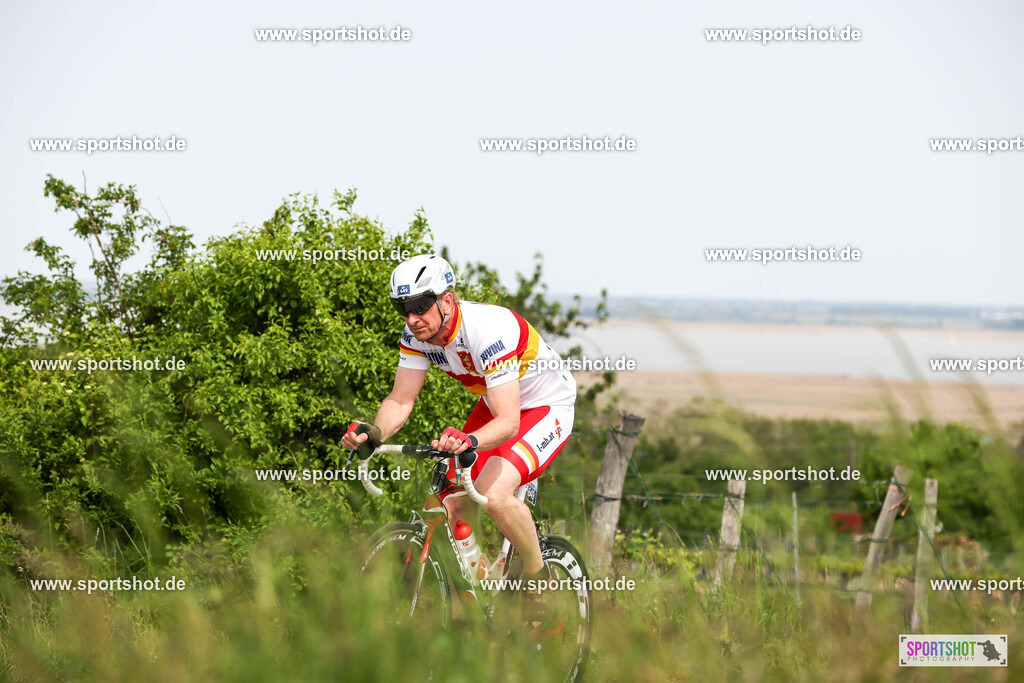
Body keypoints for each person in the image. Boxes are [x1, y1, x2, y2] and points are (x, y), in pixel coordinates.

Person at [341, 254, 576, 614]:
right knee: (450, 501)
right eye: (402, 308)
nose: (412, 318)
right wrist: (375, 432)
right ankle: (478, 597)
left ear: (447, 300)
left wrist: (471, 441)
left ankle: (539, 583)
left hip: (544, 405)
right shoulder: (417, 336)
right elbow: (401, 400)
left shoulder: (485, 332)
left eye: (420, 305)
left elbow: (510, 422)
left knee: (494, 495)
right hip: (496, 401)